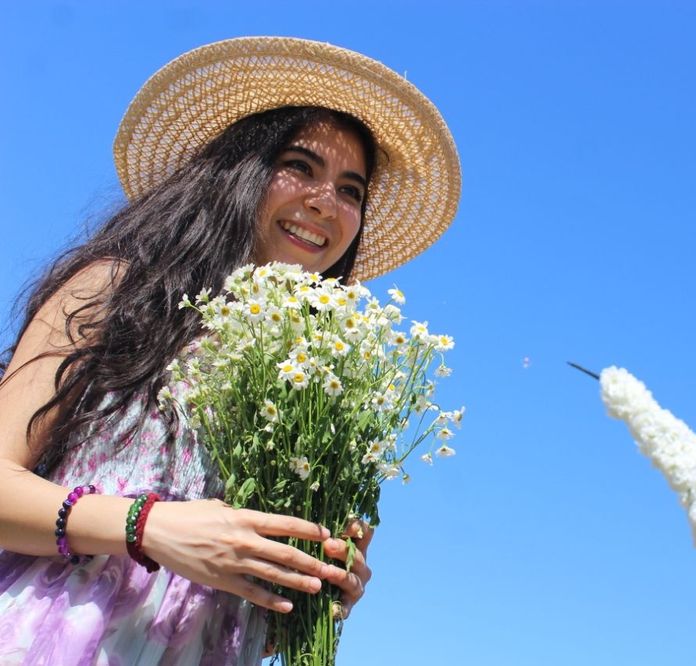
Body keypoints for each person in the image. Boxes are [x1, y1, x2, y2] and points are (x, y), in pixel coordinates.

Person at [0, 36, 461, 665]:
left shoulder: (308, 390)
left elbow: (222, 606)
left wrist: (304, 586)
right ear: (240, 169)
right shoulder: (116, 288)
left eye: (351, 190)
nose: (325, 201)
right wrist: (148, 526)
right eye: (300, 165)